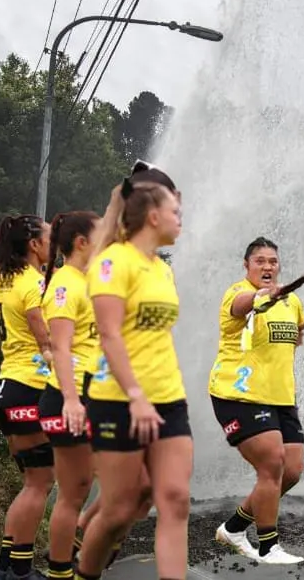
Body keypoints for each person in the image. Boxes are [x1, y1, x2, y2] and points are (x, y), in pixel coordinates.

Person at [75, 181, 191, 580]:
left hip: (168, 398)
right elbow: (109, 335)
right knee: (118, 511)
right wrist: (137, 396)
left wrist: (159, 391)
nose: (182, 219)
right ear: (154, 217)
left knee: (174, 499)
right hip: (117, 400)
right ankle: (84, 574)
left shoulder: (162, 269)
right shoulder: (112, 263)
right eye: (176, 211)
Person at [209, 237, 304, 564]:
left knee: (291, 471)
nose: (267, 267)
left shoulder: (292, 302)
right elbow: (241, 306)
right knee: (271, 463)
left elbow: (299, 333)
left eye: (273, 261)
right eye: (260, 261)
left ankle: (234, 528)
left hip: (279, 398)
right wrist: (260, 297)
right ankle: (268, 545)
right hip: (238, 395)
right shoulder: (237, 293)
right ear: (247, 266)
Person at [37, 210, 108, 579]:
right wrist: (70, 400)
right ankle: (62, 570)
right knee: (74, 490)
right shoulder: (65, 285)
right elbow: (61, 348)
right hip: (71, 396)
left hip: (93, 395)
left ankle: (78, 541)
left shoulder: (86, 281)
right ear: (82, 242)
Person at [0, 214, 55, 580]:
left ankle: (7, 567)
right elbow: (47, 340)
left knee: (33, 483)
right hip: (30, 387)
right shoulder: (36, 283)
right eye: (49, 237)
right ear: (33, 244)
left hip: (8, 388)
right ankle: (19, 570)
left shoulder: (5, 281)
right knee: (39, 483)